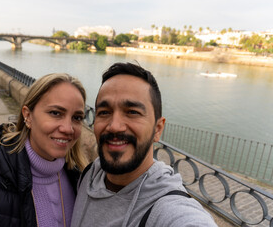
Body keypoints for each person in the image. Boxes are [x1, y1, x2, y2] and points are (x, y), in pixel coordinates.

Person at [71, 62, 217, 227]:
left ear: (157, 129)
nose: (114, 126)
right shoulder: (90, 174)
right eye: (104, 112)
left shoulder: (168, 209)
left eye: (132, 112)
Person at [0, 73, 89, 226]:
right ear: (28, 116)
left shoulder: (79, 177)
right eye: (55, 113)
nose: (68, 129)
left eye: (77, 118)